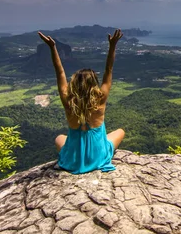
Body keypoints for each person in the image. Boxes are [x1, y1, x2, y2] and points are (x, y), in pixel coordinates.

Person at [38, 29, 126, 174]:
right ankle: (97, 153)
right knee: (120, 131)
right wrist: (112, 46)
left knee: (59, 138)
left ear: (74, 84)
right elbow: (108, 70)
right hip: (97, 157)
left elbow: (59, 72)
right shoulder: (100, 99)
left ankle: (76, 154)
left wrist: (52, 47)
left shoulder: (68, 101)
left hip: (72, 160)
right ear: (93, 83)